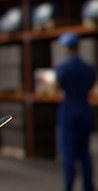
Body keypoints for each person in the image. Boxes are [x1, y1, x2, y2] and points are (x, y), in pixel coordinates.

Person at [50, 32, 96, 191]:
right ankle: (88, 186)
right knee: (84, 151)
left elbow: (57, 86)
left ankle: (69, 186)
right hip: (85, 109)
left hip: (69, 109)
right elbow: (91, 86)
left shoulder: (65, 67)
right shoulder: (88, 68)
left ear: (66, 48)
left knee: (69, 150)